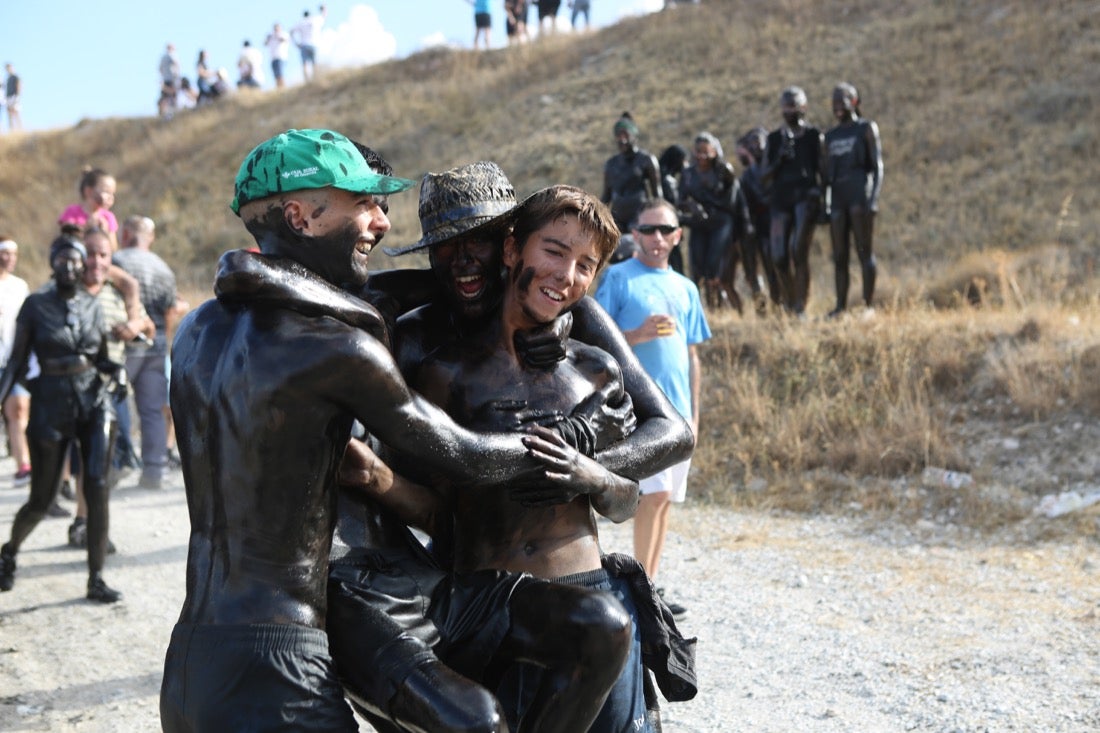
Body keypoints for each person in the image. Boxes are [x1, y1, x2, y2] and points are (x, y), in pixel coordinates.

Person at [158, 129, 626, 732]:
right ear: (300, 216)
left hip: (200, 650)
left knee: (593, 632)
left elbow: (381, 290)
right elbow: (466, 455)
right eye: (365, 204)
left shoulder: (196, 331)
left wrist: (546, 291)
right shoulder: (335, 346)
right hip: (281, 658)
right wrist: (577, 438)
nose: (381, 224)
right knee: (476, 720)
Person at [381, 183, 686, 733]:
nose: (464, 260)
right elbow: (429, 501)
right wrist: (375, 476)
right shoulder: (434, 359)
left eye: (584, 264)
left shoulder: (593, 366)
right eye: (447, 247)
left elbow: (633, 484)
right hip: (490, 606)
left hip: (590, 594)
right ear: (516, 249)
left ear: (502, 242)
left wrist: (592, 462)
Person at [595, 198, 712, 621]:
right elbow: (593, 343)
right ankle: (642, 592)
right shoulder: (618, 278)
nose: (657, 238)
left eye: (666, 230)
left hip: (679, 412)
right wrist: (636, 334)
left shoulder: (686, 288)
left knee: (664, 502)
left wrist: (696, 415)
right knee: (654, 495)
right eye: (648, 230)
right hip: (642, 410)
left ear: (678, 236)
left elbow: (692, 356)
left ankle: (651, 585)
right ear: (634, 235)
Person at [0, 236, 125, 603]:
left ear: (83, 264)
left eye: (76, 260)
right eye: (62, 260)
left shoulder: (92, 305)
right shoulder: (35, 306)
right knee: (42, 498)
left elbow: (102, 356)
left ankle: (96, 578)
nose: (69, 267)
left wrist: (115, 371)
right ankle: (9, 551)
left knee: (98, 485)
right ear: (52, 264)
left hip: (92, 397)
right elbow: (16, 364)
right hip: (50, 399)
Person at [67, 227, 152, 550]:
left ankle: (88, 520)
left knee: (117, 463)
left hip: (116, 392)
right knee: (88, 463)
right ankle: (85, 523)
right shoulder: (67, 292)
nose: (96, 261)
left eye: (103, 254)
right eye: (90, 253)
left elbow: (148, 325)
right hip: (78, 393)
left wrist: (134, 325)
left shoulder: (116, 293)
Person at [112, 215, 177, 490]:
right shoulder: (163, 268)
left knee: (114, 403)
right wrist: (164, 340)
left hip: (124, 345)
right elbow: (170, 310)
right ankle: (154, 471)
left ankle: (117, 463)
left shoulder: (117, 261)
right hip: (156, 344)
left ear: (126, 234)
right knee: (152, 410)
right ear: (149, 237)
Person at [762, 85, 825, 316]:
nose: (791, 110)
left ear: (804, 107)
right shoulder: (774, 138)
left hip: (805, 198)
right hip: (781, 200)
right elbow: (764, 176)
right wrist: (779, 160)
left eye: (795, 105)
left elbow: (823, 171)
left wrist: (824, 202)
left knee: (798, 251)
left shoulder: (813, 136)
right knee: (778, 256)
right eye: (787, 106)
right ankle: (790, 304)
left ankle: (801, 306)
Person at [824, 82, 884, 317]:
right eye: (835, 101)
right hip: (838, 198)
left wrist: (873, 199)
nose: (838, 106)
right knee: (840, 256)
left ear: (855, 101)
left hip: (860, 196)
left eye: (843, 100)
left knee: (864, 252)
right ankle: (840, 306)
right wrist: (826, 204)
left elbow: (877, 166)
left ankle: (868, 305)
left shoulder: (866, 128)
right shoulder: (830, 136)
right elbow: (826, 175)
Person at [678, 131, 751, 312]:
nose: (702, 155)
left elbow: (733, 201)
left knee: (715, 264)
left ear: (714, 151)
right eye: (698, 151)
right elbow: (680, 200)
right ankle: (704, 306)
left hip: (720, 222)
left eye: (706, 151)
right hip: (698, 223)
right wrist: (693, 208)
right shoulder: (687, 174)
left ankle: (719, 305)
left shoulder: (724, 170)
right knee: (697, 264)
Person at [735, 126, 781, 313]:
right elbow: (745, 205)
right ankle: (762, 307)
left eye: (759, 141)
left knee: (776, 267)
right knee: (757, 270)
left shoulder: (778, 167)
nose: (756, 146)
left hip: (778, 222)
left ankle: (781, 304)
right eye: (751, 143)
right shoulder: (746, 176)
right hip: (757, 227)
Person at [0, 236, 31, 484]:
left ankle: (24, 464)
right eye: (5, 253)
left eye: (13, 253)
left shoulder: (20, 286)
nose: (9, 258)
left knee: (19, 410)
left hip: (16, 359)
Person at [601, 112, 661, 237]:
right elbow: (606, 196)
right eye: (619, 135)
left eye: (626, 135)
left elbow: (657, 194)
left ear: (634, 136)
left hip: (639, 217)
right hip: (617, 219)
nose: (622, 139)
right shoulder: (611, 164)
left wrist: (659, 220)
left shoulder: (646, 160)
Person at [58, 168, 118, 250]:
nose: (110, 197)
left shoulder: (108, 217)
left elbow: (114, 249)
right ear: (89, 191)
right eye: (106, 191)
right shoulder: (72, 211)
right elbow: (65, 240)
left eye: (112, 193)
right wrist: (86, 228)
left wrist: (105, 232)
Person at [658, 144, 689, 275]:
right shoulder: (667, 181)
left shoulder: (664, 178)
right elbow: (671, 207)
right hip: (668, 229)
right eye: (683, 160)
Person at [291, 5, 327, 82]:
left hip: (304, 45)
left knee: (305, 64)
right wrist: (324, 8)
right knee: (314, 63)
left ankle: (307, 80)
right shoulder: (315, 20)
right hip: (314, 45)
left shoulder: (301, 22)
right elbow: (323, 15)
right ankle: (315, 78)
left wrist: (296, 43)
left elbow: (291, 32)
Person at [158, 44, 181, 119]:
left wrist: (164, 75)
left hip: (165, 79)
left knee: (165, 96)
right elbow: (176, 63)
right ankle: (174, 111)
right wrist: (176, 73)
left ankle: (163, 112)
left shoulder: (163, 57)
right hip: (172, 78)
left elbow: (160, 69)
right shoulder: (171, 55)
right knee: (173, 95)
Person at [265, 22, 291, 89]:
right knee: (276, 76)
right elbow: (265, 43)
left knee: (280, 74)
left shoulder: (284, 34)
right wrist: (268, 38)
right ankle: (279, 88)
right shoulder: (271, 36)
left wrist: (277, 35)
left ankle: (283, 88)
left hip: (281, 57)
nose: (276, 29)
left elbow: (284, 40)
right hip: (273, 58)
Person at [4, 64, 21, 132]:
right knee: (9, 113)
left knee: (16, 112)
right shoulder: (8, 78)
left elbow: (18, 86)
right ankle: (12, 130)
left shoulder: (15, 77)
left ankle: (20, 129)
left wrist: (17, 96)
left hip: (14, 96)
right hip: (8, 97)